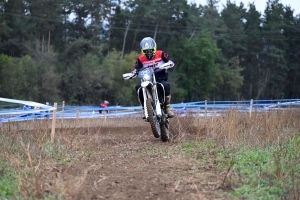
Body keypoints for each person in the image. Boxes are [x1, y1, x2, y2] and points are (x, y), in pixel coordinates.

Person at [129, 37, 175, 118]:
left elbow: (170, 61)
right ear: (143, 51)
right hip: (147, 78)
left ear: (154, 48)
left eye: (150, 50)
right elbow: (136, 68)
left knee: (165, 85)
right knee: (138, 87)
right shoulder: (140, 58)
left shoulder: (161, 54)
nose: (149, 53)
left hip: (160, 76)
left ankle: (167, 107)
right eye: (146, 51)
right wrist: (132, 74)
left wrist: (168, 64)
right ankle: (144, 109)